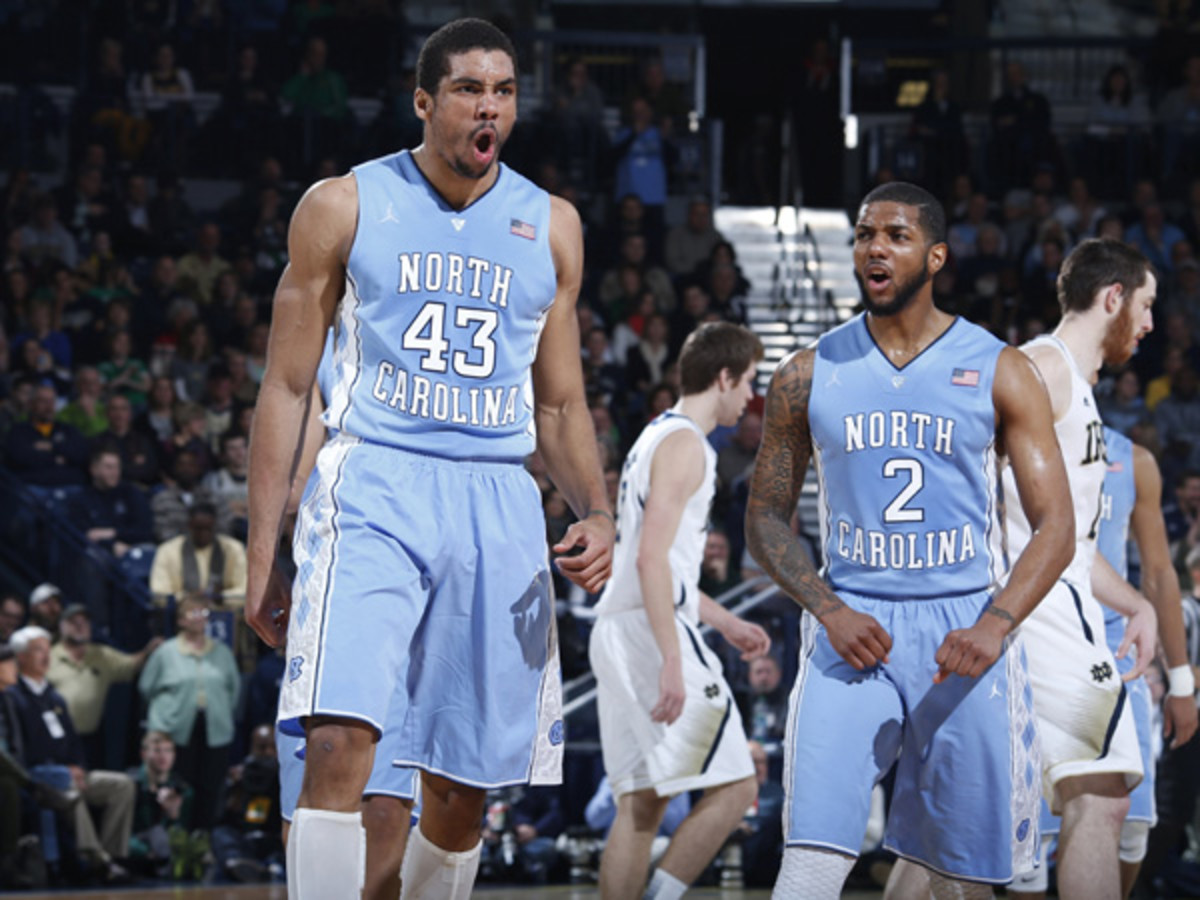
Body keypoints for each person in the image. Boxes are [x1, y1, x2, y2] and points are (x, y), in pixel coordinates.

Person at [244, 19, 615, 899]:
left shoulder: (552, 225)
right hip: (375, 480)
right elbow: (288, 389)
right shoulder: (343, 204)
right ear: (424, 102)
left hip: (497, 500)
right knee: (338, 742)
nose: (489, 107)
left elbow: (559, 403)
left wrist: (596, 509)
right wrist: (263, 551)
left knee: (459, 791)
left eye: (504, 91)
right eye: (467, 90)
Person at [744, 181, 1075, 897]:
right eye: (865, 234)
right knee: (808, 863)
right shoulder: (806, 372)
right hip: (851, 630)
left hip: (962, 633)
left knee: (961, 879)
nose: (874, 247)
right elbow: (766, 516)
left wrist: (995, 625)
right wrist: (826, 608)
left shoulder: (1002, 367)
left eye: (895, 235)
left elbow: (1057, 527)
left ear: (935, 257)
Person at [590, 321, 769, 899]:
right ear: (723, 377)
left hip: (620, 626)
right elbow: (649, 560)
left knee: (641, 805)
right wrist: (673, 657)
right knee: (738, 788)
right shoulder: (687, 444)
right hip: (649, 630)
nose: (749, 398)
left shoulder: (655, 436)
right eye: (747, 383)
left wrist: (724, 620)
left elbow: (660, 564)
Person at [1007, 425, 1198, 900]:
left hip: (1113, 646)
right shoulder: (1010, 446)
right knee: (1029, 838)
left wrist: (1180, 682)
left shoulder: (1131, 459)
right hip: (1033, 637)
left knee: (1131, 822)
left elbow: (1157, 572)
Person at [138, 596, 240, 831]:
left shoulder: (222, 652)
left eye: (204, 613)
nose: (200, 618)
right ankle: (173, 841)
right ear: (181, 620)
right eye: (194, 613)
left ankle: (202, 841)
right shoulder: (166, 652)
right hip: (174, 732)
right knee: (176, 787)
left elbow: (233, 690)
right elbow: (146, 688)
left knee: (210, 788)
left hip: (214, 730)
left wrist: (222, 712)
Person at [48, 604, 160, 769]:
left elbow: (131, 665)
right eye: (73, 622)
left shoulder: (102, 655)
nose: (80, 626)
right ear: (61, 626)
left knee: (94, 785)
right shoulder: (49, 656)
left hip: (90, 739)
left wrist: (149, 650)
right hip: (56, 739)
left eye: (84, 622)